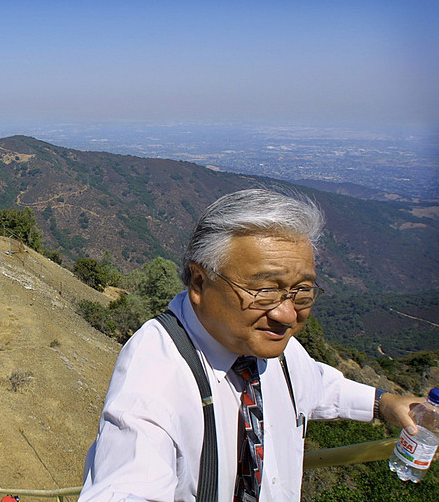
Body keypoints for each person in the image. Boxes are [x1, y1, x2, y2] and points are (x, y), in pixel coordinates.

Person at [80, 188, 419, 501]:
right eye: (264, 291)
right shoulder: (154, 378)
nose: (286, 315)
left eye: (302, 291)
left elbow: (314, 383)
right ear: (200, 281)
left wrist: (384, 403)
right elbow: (128, 483)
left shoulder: (269, 346)